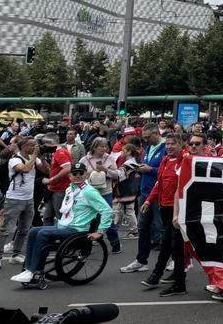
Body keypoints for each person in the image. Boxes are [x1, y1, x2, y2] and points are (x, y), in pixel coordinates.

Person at [9, 163, 113, 284]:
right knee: (33, 231)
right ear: (70, 176)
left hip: (77, 230)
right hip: (64, 225)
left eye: (81, 173)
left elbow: (107, 210)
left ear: (86, 175)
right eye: (75, 174)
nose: (77, 176)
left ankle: (34, 271)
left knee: (43, 233)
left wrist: (100, 231)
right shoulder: (70, 189)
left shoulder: (89, 192)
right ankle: (28, 269)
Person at [140, 134, 190, 296]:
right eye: (167, 144)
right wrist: (148, 201)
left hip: (177, 209)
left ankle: (169, 279)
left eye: (172, 144)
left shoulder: (185, 161)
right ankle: (163, 277)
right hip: (164, 207)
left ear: (180, 144)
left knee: (173, 246)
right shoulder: (165, 160)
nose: (168, 147)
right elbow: (159, 183)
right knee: (168, 244)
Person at [121, 124, 166, 274]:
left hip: (159, 193)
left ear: (155, 133)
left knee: (162, 228)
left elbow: (169, 170)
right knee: (143, 227)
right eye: (144, 138)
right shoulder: (148, 148)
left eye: (148, 137)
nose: (146, 140)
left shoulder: (166, 147)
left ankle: (175, 259)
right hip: (146, 192)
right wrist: (141, 168)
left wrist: (150, 170)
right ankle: (141, 260)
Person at [0, 137, 42, 267]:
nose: (35, 147)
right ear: (23, 147)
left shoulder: (35, 158)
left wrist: (42, 159)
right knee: (6, 229)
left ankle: (16, 255)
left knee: (24, 229)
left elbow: (47, 171)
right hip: (14, 199)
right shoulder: (14, 160)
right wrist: (34, 157)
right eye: (31, 145)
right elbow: (24, 169)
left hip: (29, 199)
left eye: (36, 145)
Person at [77, 137, 123, 254]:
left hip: (105, 191)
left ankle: (115, 243)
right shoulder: (85, 159)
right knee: (88, 218)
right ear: (94, 147)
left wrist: (106, 170)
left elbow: (116, 175)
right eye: (101, 146)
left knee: (106, 216)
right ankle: (86, 244)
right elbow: (79, 174)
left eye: (105, 146)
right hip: (89, 192)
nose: (104, 149)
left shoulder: (109, 158)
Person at [41, 134, 72, 226]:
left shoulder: (60, 152)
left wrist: (51, 180)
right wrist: (42, 160)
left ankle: (59, 238)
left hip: (60, 189)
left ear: (52, 142)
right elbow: (53, 170)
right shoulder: (56, 153)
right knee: (47, 217)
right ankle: (48, 237)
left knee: (60, 217)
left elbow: (67, 168)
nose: (44, 146)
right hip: (54, 189)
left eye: (45, 144)